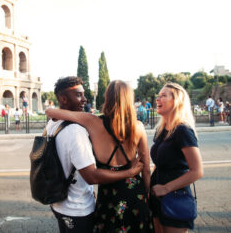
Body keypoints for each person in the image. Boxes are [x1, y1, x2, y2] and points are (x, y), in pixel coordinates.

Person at [46, 79, 154, 233]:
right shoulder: (138, 127)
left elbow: (50, 112)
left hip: (108, 197)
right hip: (135, 195)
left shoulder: (92, 122)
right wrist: (146, 193)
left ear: (107, 98)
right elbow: (146, 169)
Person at [149, 82, 203, 233]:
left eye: (163, 96)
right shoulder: (161, 130)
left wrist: (166, 188)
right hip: (156, 197)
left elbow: (197, 171)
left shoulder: (183, 131)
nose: (158, 99)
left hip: (175, 198)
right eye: (158, 96)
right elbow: (159, 163)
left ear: (177, 101)